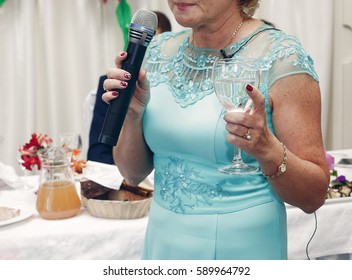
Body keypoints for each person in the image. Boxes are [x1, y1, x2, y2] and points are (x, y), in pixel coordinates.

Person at [102, 0, 330, 260]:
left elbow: (314, 195)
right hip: (163, 241)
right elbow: (131, 174)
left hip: (241, 246)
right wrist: (132, 113)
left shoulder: (282, 57)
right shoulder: (156, 51)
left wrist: (267, 149)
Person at [87, 11, 172, 164]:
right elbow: (97, 154)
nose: (148, 51)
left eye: (155, 44)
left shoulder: (174, 87)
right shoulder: (112, 83)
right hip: (122, 179)